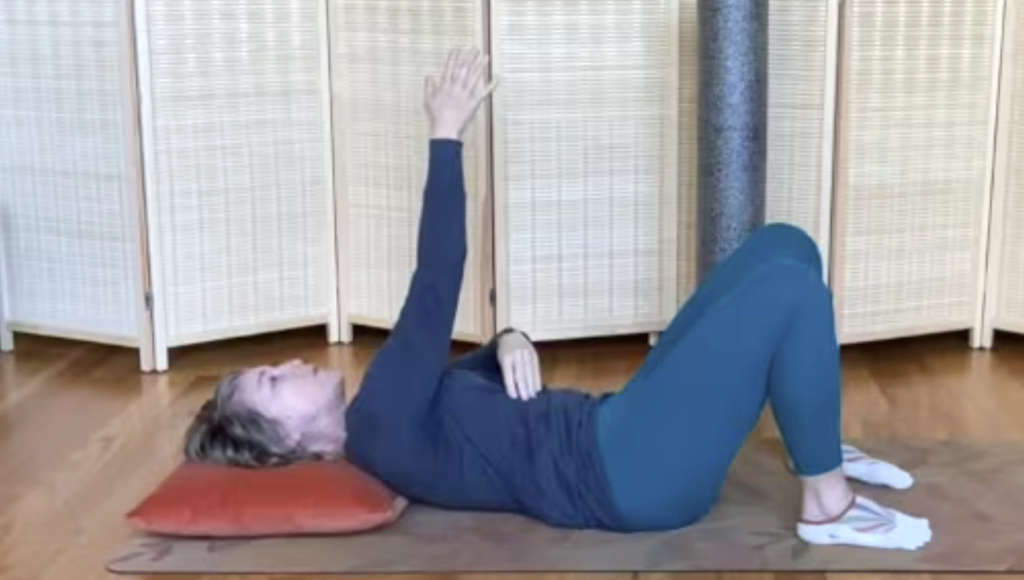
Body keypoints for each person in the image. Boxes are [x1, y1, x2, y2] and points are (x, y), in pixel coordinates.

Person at [184, 48, 932, 550]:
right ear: (287, 443)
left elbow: (465, 381)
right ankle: (826, 506)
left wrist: (507, 335)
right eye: (274, 381)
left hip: (618, 426)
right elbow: (438, 275)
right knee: (790, 292)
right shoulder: (375, 418)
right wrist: (446, 135)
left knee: (783, 245)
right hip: (629, 475)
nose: (290, 361)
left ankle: (817, 440)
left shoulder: (394, 411)